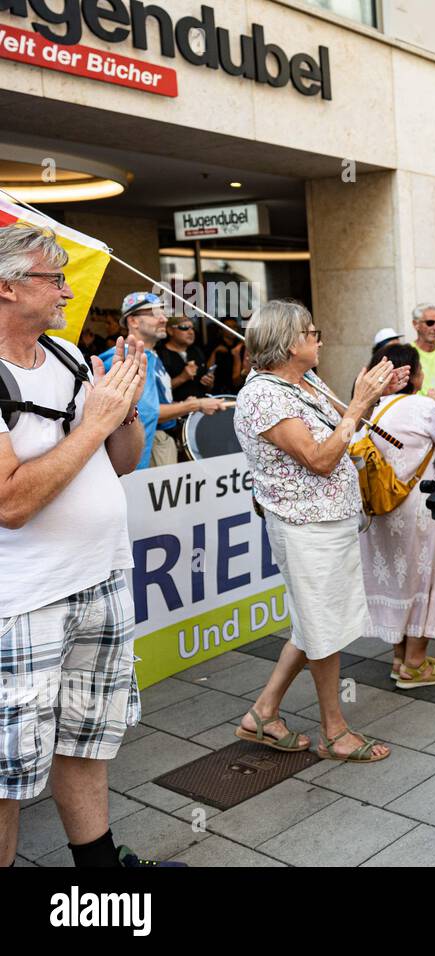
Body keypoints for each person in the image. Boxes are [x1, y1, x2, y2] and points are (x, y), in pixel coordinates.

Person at [0, 224, 173, 867]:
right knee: (8, 772)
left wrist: (123, 409)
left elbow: (120, 463)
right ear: (7, 288)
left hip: (99, 578)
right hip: (23, 601)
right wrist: (97, 418)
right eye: (55, 279)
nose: (69, 291)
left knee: (87, 738)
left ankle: (100, 884)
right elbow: (11, 503)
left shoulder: (69, 359)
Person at [233, 300, 405, 764]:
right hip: (305, 528)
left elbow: (349, 420)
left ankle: (263, 714)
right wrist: (359, 405)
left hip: (329, 524)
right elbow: (321, 457)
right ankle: (335, 731)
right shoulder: (264, 395)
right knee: (322, 628)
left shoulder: (302, 381)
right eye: (311, 332)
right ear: (289, 343)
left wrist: (376, 395)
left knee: (313, 622)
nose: (318, 338)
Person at [358, 343, 435, 689]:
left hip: (381, 509)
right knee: (424, 579)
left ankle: (400, 658)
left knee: (396, 580)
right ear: (413, 375)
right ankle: (416, 665)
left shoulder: (365, 411)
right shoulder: (424, 407)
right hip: (423, 509)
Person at [101, 293, 223, 468]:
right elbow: (145, 413)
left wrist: (179, 404)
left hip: (157, 444)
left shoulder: (149, 355)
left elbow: (153, 403)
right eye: (155, 314)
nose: (164, 319)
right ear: (133, 321)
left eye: (163, 313)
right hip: (145, 452)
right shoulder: (127, 357)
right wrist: (196, 405)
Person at [156, 314, 214, 403]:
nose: (191, 332)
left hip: (202, 409)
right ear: (170, 330)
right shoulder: (160, 355)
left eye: (192, 328)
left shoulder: (196, 351)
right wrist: (182, 378)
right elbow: (156, 391)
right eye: (184, 327)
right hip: (175, 412)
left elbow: (208, 388)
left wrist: (209, 382)